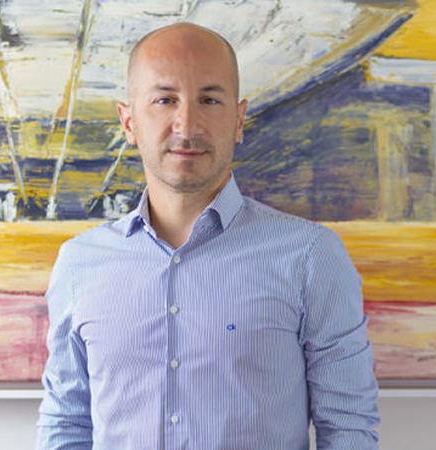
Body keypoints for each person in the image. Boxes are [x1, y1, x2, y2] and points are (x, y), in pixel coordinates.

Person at [37, 22, 380, 449]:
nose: (186, 124)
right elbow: (66, 423)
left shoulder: (310, 256)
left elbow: (348, 428)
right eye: (165, 100)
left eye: (209, 100)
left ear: (239, 119)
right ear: (128, 122)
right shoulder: (79, 263)